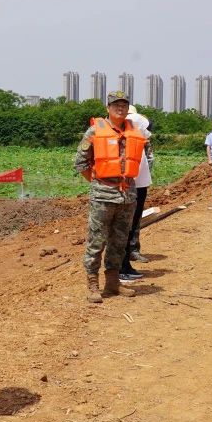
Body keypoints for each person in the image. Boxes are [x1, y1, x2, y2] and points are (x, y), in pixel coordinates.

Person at [75, 91, 146, 302]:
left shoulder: (133, 130)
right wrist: (99, 183)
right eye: (116, 105)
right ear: (108, 108)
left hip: (127, 197)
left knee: (119, 242)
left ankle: (113, 282)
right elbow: (80, 162)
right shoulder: (95, 130)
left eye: (124, 105)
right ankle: (92, 285)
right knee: (97, 241)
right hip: (103, 196)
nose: (120, 108)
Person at [119, 108, 155, 281]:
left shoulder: (129, 132)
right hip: (135, 185)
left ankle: (124, 265)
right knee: (127, 226)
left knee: (128, 226)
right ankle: (122, 267)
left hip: (134, 184)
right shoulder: (134, 122)